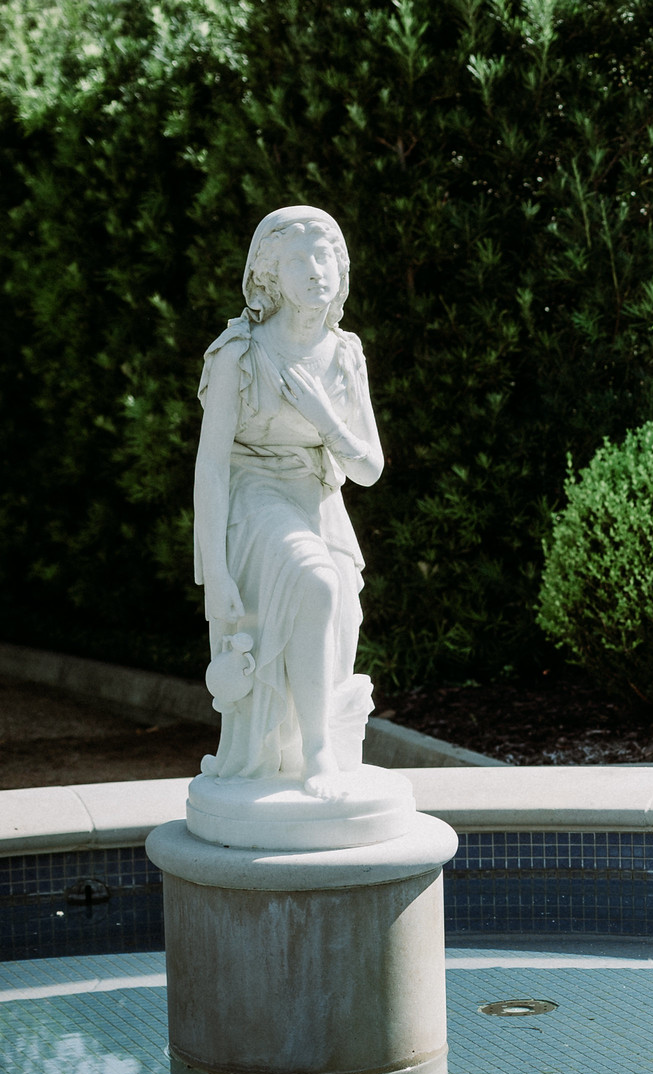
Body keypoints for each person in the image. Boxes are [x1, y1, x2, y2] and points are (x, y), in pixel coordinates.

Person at [192, 206, 386, 796]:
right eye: (296, 259)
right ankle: (318, 748)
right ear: (271, 274)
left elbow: (369, 469)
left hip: (316, 494)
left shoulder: (344, 354)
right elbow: (211, 468)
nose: (313, 270)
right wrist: (215, 571)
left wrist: (324, 415)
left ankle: (318, 737)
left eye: (323, 255)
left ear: (339, 266)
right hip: (253, 495)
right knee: (316, 580)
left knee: (339, 607)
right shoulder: (239, 355)